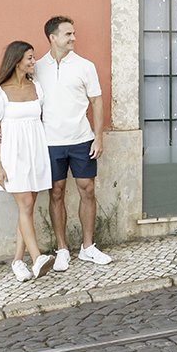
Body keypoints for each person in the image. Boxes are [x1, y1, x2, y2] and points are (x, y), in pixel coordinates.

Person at [37, 15, 112, 269]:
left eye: (73, 33)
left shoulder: (85, 66)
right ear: (53, 37)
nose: (73, 38)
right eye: (68, 34)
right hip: (51, 141)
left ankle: (88, 247)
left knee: (87, 189)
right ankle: (61, 250)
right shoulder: (37, 68)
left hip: (82, 139)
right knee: (56, 192)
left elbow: (97, 101)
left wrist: (98, 137)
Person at [0, 40, 54, 282]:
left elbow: (41, 119)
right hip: (12, 155)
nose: (34, 62)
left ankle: (17, 261)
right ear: (16, 62)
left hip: (35, 151)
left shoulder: (37, 88)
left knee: (27, 207)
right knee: (25, 204)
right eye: (30, 58)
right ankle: (37, 258)